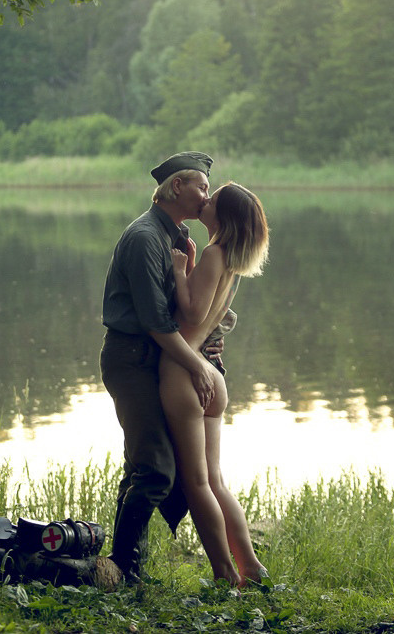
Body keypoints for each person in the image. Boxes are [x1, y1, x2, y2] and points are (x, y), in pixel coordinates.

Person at [99, 151, 220, 584]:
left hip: (153, 359)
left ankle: (123, 566)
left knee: (141, 464)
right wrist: (201, 369)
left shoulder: (178, 237)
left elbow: (181, 310)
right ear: (176, 188)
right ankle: (126, 568)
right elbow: (154, 322)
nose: (207, 195)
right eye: (201, 187)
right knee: (155, 468)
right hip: (132, 359)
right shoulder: (146, 237)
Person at [161, 182, 270, 587]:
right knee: (216, 479)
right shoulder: (232, 262)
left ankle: (225, 575)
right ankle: (251, 567)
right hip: (213, 374)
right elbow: (207, 314)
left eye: (212, 201)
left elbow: (191, 310)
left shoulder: (213, 253)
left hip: (185, 372)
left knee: (196, 483)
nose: (204, 202)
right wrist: (189, 268)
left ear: (222, 218)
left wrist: (176, 271)